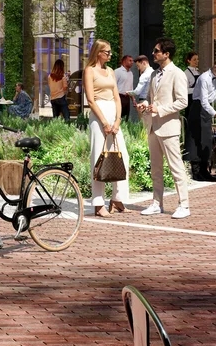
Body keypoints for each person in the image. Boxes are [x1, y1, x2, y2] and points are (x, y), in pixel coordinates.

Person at [137, 38, 192, 219]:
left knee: (176, 168)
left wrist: (160, 109)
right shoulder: (154, 75)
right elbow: (151, 98)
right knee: (156, 169)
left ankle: (184, 205)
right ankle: (156, 203)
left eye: (156, 51)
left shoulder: (177, 73)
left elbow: (183, 101)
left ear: (166, 54)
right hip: (153, 126)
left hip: (168, 127)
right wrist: (145, 104)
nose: (153, 53)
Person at [82, 39, 127, 215]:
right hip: (98, 115)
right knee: (98, 158)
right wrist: (104, 122)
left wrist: (117, 121)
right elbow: (91, 100)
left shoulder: (110, 71)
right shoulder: (89, 71)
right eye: (107, 52)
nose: (110, 54)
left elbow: (117, 97)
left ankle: (117, 199)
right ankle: (98, 203)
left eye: (110, 52)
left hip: (113, 115)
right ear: (98, 52)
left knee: (123, 156)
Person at [184, 53, 214, 180]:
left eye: (198, 59)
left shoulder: (200, 73)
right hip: (193, 108)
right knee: (194, 138)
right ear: (188, 60)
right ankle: (195, 170)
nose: (197, 61)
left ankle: (204, 169)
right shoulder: (186, 74)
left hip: (203, 109)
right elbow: (184, 90)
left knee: (205, 138)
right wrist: (198, 89)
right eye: (194, 59)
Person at [115, 54, 136, 122]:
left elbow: (131, 88)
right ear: (124, 61)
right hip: (119, 97)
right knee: (118, 116)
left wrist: (133, 100)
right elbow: (113, 85)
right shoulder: (117, 71)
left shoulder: (131, 73)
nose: (132, 62)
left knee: (125, 118)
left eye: (132, 61)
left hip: (127, 98)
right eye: (130, 60)